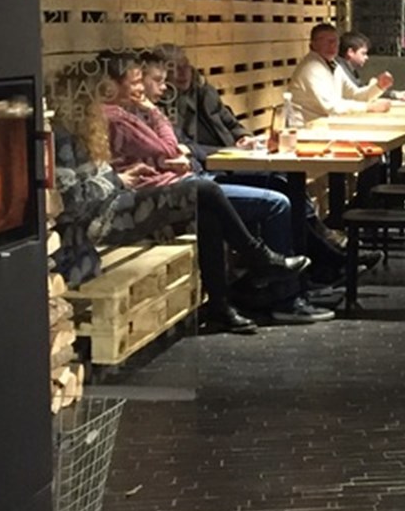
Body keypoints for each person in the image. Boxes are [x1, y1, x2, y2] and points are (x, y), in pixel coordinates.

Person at [101, 51, 333, 326]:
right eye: (139, 81)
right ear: (113, 85)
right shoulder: (121, 116)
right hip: (160, 193)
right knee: (272, 202)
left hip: (186, 181)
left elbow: (217, 127)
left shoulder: (187, 98)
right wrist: (154, 113)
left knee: (260, 194)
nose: (161, 86)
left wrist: (239, 141)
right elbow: (170, 147)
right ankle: (280, 288)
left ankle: (229, 303)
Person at [291, 22, 405, 122]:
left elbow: (354, 95)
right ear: (313, 44)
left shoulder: (333, 65)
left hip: (325, 126)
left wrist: (378, 87)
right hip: (305, 129)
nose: (333, 45)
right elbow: (332, 107)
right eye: (328, 42)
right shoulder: (311, 68)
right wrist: (369, 107)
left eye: (335, 41)